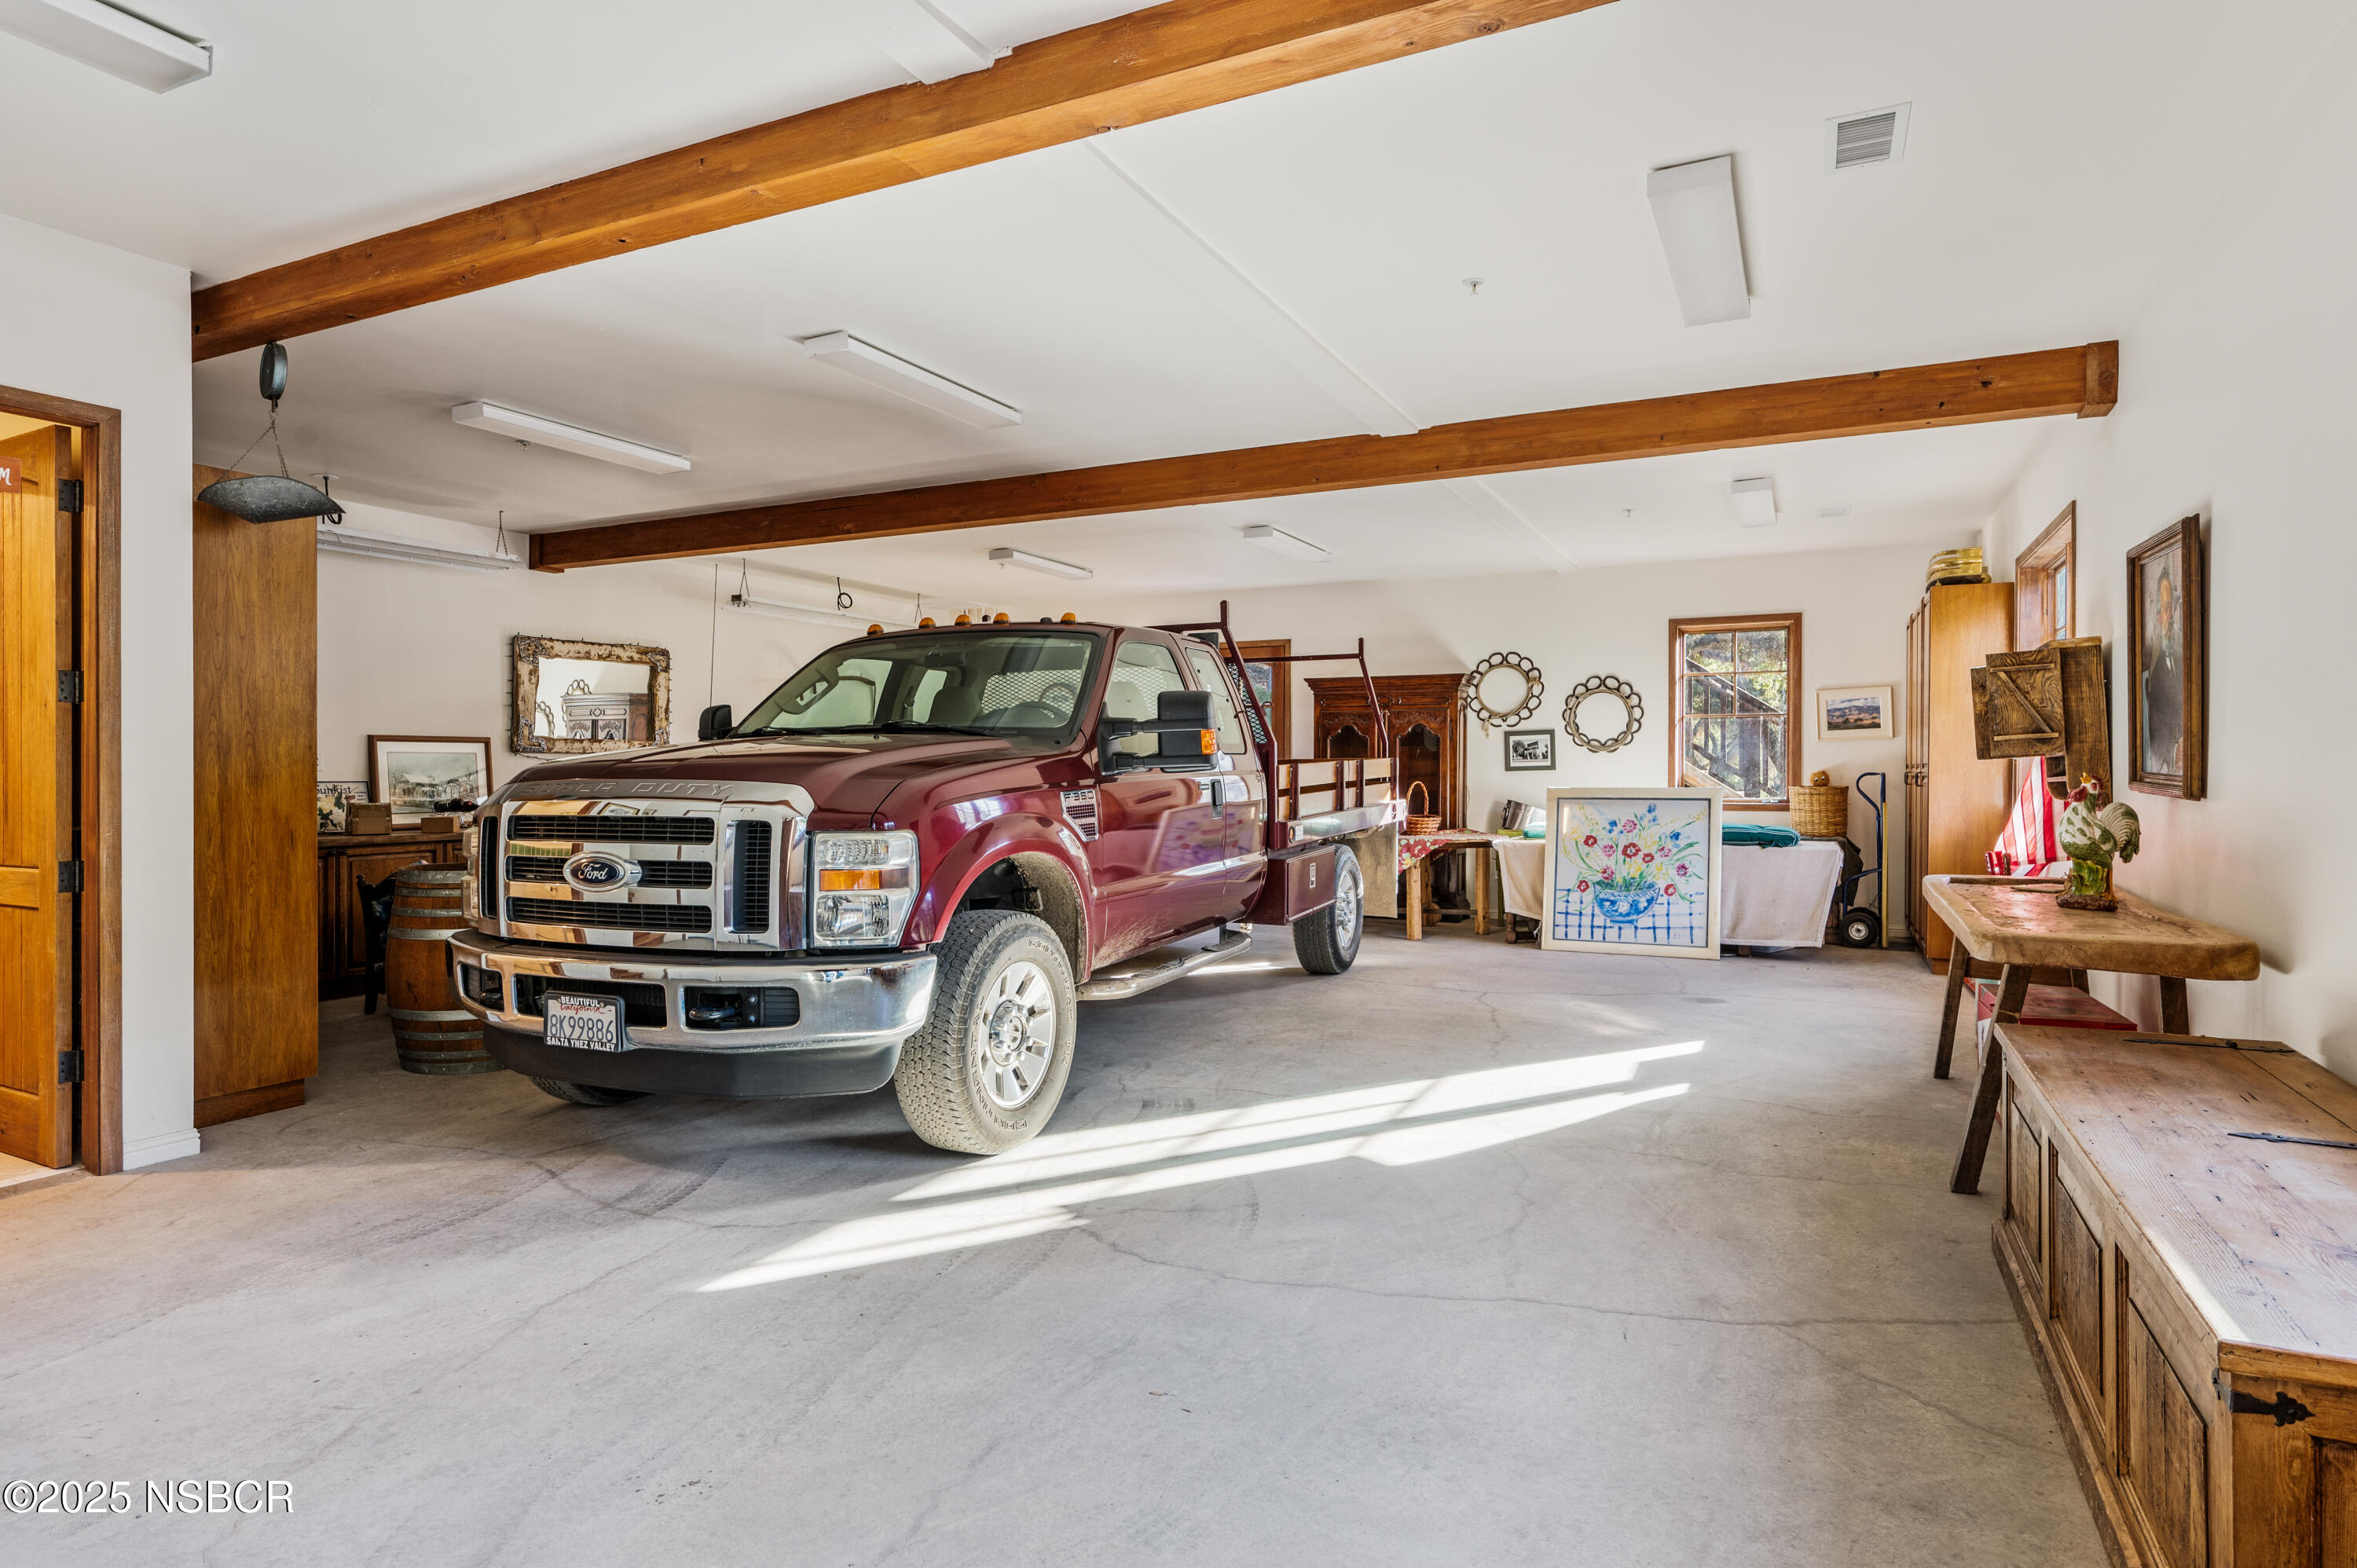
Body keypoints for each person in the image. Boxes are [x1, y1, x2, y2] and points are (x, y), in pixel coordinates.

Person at [2141, 557, 2183, 775]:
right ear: (2157, 616)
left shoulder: (2181, 655)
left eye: (2171, 607)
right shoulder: (2153, 671)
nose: (2170, 616)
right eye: (2164, 609)